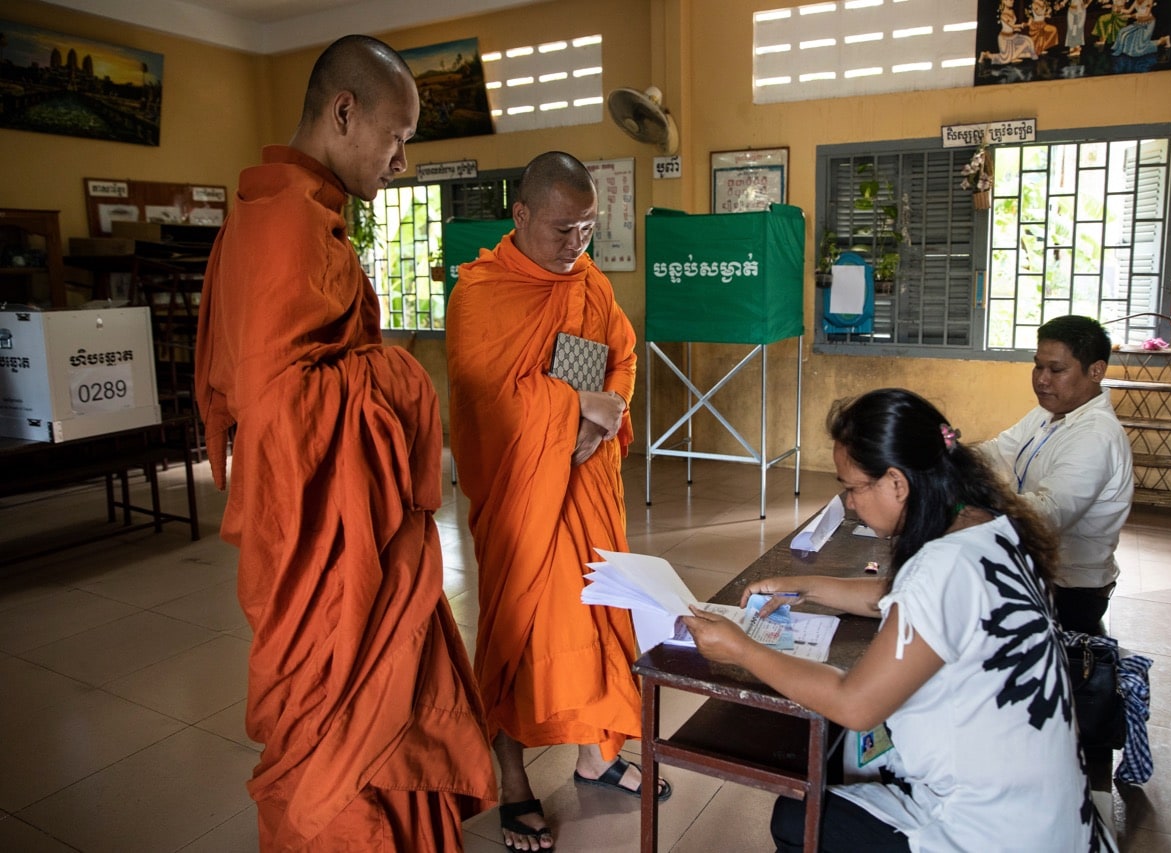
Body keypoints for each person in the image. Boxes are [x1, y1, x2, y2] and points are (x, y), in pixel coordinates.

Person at [194, 34, 496, 850]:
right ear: (343, 112)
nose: (399, 162)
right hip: (324, 544)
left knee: (372, 702)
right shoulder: (288, 228)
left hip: (329, 524)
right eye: (397, 140)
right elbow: (283, 412)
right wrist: (397, 376)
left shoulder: (272, 217)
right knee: (348, 726)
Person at [681, 389, 1117, 853]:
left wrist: (742, 649)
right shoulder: (990, 527)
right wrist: (807, 585)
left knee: (799, 814)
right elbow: (900, 598)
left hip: (988, 834)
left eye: (852, 488)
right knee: (839, 757)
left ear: (896, 482)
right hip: (1051, 821)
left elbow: (856, 704)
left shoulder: (942, 565)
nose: (849, 504)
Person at [446, 151, 670, 852]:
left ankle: (595, 753)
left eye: (587, 229)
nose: (576, 245)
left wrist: (607, 410)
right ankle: (513, 779)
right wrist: (577, 407)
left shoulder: (592, 285)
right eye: (561, 230)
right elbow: (486, 399)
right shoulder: (482, 294)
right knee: (521, 632)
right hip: (525, 499)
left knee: (601, 621)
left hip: (586, 486)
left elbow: (623, 358)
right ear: (520, 217)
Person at [979, 315, 1133, 634]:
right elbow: (998, 452)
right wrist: (948, 453)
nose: (1042, 380)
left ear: (1096, 371)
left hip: (1069, 592)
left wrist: (969, 507)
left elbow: (1046, 515)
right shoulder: (1048, 413)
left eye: (1057, 370)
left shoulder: (1096, 436)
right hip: (1038, 571)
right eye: (1038, 367)